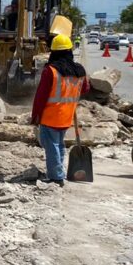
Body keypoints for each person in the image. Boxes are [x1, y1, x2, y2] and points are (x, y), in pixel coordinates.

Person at [30, 34, 89, 186]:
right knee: (58, 145)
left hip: (50, 116)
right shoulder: (79, 70)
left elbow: (41, 96)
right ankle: (58, 172)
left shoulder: (51, 70)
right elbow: (85, 89)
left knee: (51, 146)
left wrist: (36, 116)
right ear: (70, 51)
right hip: (67, 116)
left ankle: (56, 178)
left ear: (53, 52)